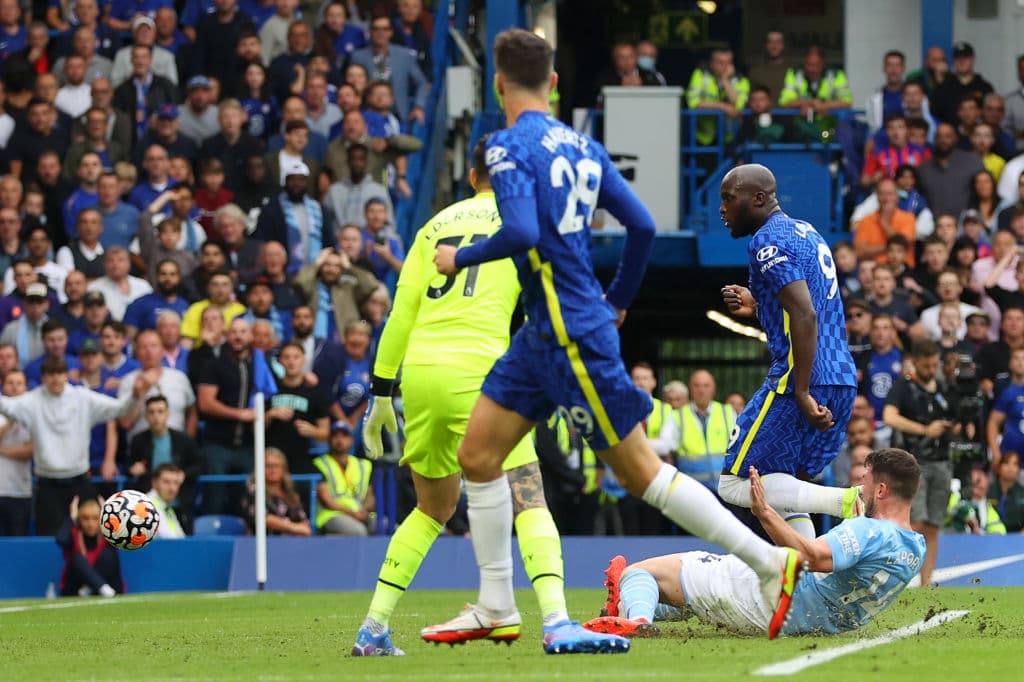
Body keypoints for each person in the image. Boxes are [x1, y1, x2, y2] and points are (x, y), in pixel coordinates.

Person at [425, 30, 802, 652]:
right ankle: (495, 604)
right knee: (478, 457)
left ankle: (768, 563)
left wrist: (458, 257)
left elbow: (518, 229)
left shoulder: (505, 147)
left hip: (570, 334)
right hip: (543, 334)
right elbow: (643, 224)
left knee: (640, 473)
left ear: (498, 83)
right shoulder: (581, 145)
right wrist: (620, 300)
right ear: (552, 83)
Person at [354, 135, 586, 655]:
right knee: (528, 495)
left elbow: (400, 315)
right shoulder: (525, 224)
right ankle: (557, 620)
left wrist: (381, 392)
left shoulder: (433, 226)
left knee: (433, 508)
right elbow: (548, 308)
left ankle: (373, 628)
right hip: (484, 374)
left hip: (421, 374)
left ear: (471, 175)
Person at [584, 449, 925, 639]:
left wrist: (765, 513)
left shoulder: (869, 530)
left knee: (639, 573)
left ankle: (638, 621)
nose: (858, 488)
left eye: (864, 482)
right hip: (817, 620)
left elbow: (811, 558)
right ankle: (625, 609)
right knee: (685, 595)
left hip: (773, 597)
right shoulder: (916, 548)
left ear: (881, 490)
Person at [718, 164, 861, 539]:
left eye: (729, 199)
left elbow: (804, 311)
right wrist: (759, 300)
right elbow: (804, 298)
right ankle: (805, 589)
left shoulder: (766, 241)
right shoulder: (807, 231)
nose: (722, 209)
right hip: (841, 378)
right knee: (787, 489)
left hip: (800, 379)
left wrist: (800, 390)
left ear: (759, 199)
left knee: (735, 483)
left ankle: (847, 503)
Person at [0, 356, 156, 534]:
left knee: (90, 537)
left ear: (66, 375)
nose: (55, 379)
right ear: (43, 378)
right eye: (50, 374)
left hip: (80, 481)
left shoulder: (83, 397)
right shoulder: (32, 401)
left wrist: (135, 396)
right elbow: (5, 406)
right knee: (50, 542)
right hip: (47, 485)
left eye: (59, 373)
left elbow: (120, 409)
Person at [882, 339, 954, 587]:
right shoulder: (904, 386)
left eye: (934, 365)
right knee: (917, 522)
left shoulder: (944, 387)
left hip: (943, 462)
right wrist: (924, 430)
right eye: (926, 365)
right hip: (914, 463)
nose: (931, 370)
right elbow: (889, 416)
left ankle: (925, 583)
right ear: (915, 363)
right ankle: (903, 579)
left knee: (933, 524)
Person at [127, 395, 201, 527]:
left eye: (160, 411)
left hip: (180, 504)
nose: (156, 416)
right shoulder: (138, 441)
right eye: (151, 412)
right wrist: (133, 469)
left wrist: (184, 474)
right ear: (146, 416)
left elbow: (198, 466)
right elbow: (128, 465)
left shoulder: (183, 440)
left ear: (168, 414)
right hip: (148, 506)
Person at [266, 340, 330, 475]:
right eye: (287, 357)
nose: (291, 362)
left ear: (303, 360)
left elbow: (325, 433)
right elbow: (255, 428)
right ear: (280, 361)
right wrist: (270, 415)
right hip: (271, 459)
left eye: (296, 357)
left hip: (300, 458)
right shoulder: (270, 389)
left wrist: (313, 431)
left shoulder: (315, 392)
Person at [675, 370, 735, 491]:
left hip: (724, 489)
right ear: (690, 389)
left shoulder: (727, 412)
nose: (701, 390)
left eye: (706, 385)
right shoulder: (678, 416)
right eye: (697, 385)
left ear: (713, 389)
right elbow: (665, 446)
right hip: (692, 491)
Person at [314, 420, 374, 536]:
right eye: (335, 436)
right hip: (332, 513)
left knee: (388, 526)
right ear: (329, 440)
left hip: (361, 511)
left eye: (344, 436)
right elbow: (326, 500)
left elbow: (370, 496)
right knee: (358, 531)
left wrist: (364, 511)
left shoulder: (364, 465)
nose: (339, 440)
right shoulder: (319, 463)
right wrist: (352, 513)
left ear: (351, 440)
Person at [57, 495, 123, 597]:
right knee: (76, 558)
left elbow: (121, 539)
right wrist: (72, 519)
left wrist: (109, 517)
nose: (90, 523)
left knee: (108, 555)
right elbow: (61, 539)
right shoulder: (74, 533)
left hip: (107, 583)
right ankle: (101, 588)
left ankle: (96, 588)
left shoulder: (106, 534)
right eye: (85, 518)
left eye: (95, 518)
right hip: (76, 588)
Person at [242, 447, 312, 535]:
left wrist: (302, 527)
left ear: (284, 469)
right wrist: (294, 527)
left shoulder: (291, 492)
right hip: (264, 542)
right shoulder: (254, 491)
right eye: (268, 466)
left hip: (294, 543)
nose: (272, 470)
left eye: (276, 466)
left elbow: (302, 518)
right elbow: (261, 517)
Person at [0, 369, 31, 535]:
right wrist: (11, 419)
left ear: (26, 387)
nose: (14, 387)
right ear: (3, 386)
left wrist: (2, 449)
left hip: (20, 491)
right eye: (10, 383)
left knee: (18, 544)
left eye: (19, 383)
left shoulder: (32, 414)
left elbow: (30, 451)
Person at [146, 462, 187, 538]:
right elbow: (168, 538)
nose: (172, 488)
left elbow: (181, 538)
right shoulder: (147, 506)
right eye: (166, 482)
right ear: (154, 483)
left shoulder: (166, 506)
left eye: (176, 483)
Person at [989, 450, 1024, 532]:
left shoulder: (1022, 492)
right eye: (1006, 463)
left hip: (1017, 537)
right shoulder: (988, 490)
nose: (1010, 468)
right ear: (999, 467)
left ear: (1019, 469)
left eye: (1015, 464)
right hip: (990, 536)